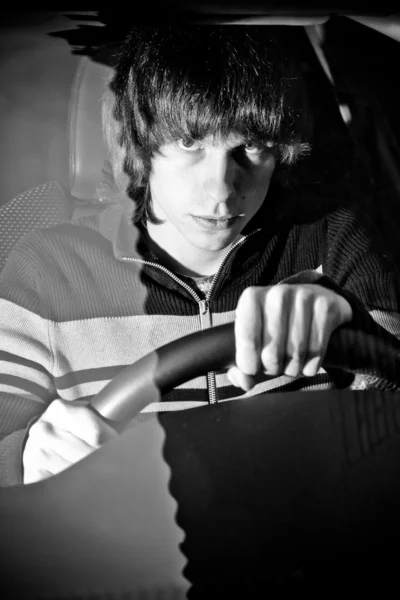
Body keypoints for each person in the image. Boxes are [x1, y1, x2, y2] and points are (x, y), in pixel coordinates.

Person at [1, 25, 400, 487]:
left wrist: (357, 334)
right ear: (140, 141)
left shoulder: (335, 240)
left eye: (251, 145)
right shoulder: (46, 271)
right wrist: (25, 455)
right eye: (190, 142)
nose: (222, 191)